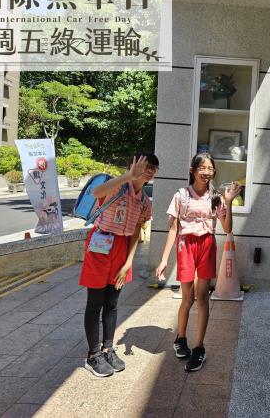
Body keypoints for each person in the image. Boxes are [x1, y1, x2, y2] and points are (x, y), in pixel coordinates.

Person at [155, 152, 240, 372]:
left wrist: (228, 202)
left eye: (210, 168)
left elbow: (227, 228)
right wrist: (164, 260)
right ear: (192, 170)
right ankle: (180, 338)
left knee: (202, 298)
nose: (207, 172)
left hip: (207, 245)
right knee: (188, 298)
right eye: (202, 168)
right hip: (186, 245)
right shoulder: (181, 195)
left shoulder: (216, 198)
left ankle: (199, 347)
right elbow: (173, 228)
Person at [79, 153, 158, 377]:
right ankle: (93, 355)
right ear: (132, 165)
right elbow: (96, 192)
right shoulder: (116, 186)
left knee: (112, 303)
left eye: (153, 168)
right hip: (99, 244)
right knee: (95, 302)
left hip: (121, 249)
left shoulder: (144, 202)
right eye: (145, 165)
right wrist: (128, 176)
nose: (149, 170)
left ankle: (108, 349)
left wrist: (128, 262)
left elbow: (136, 232)